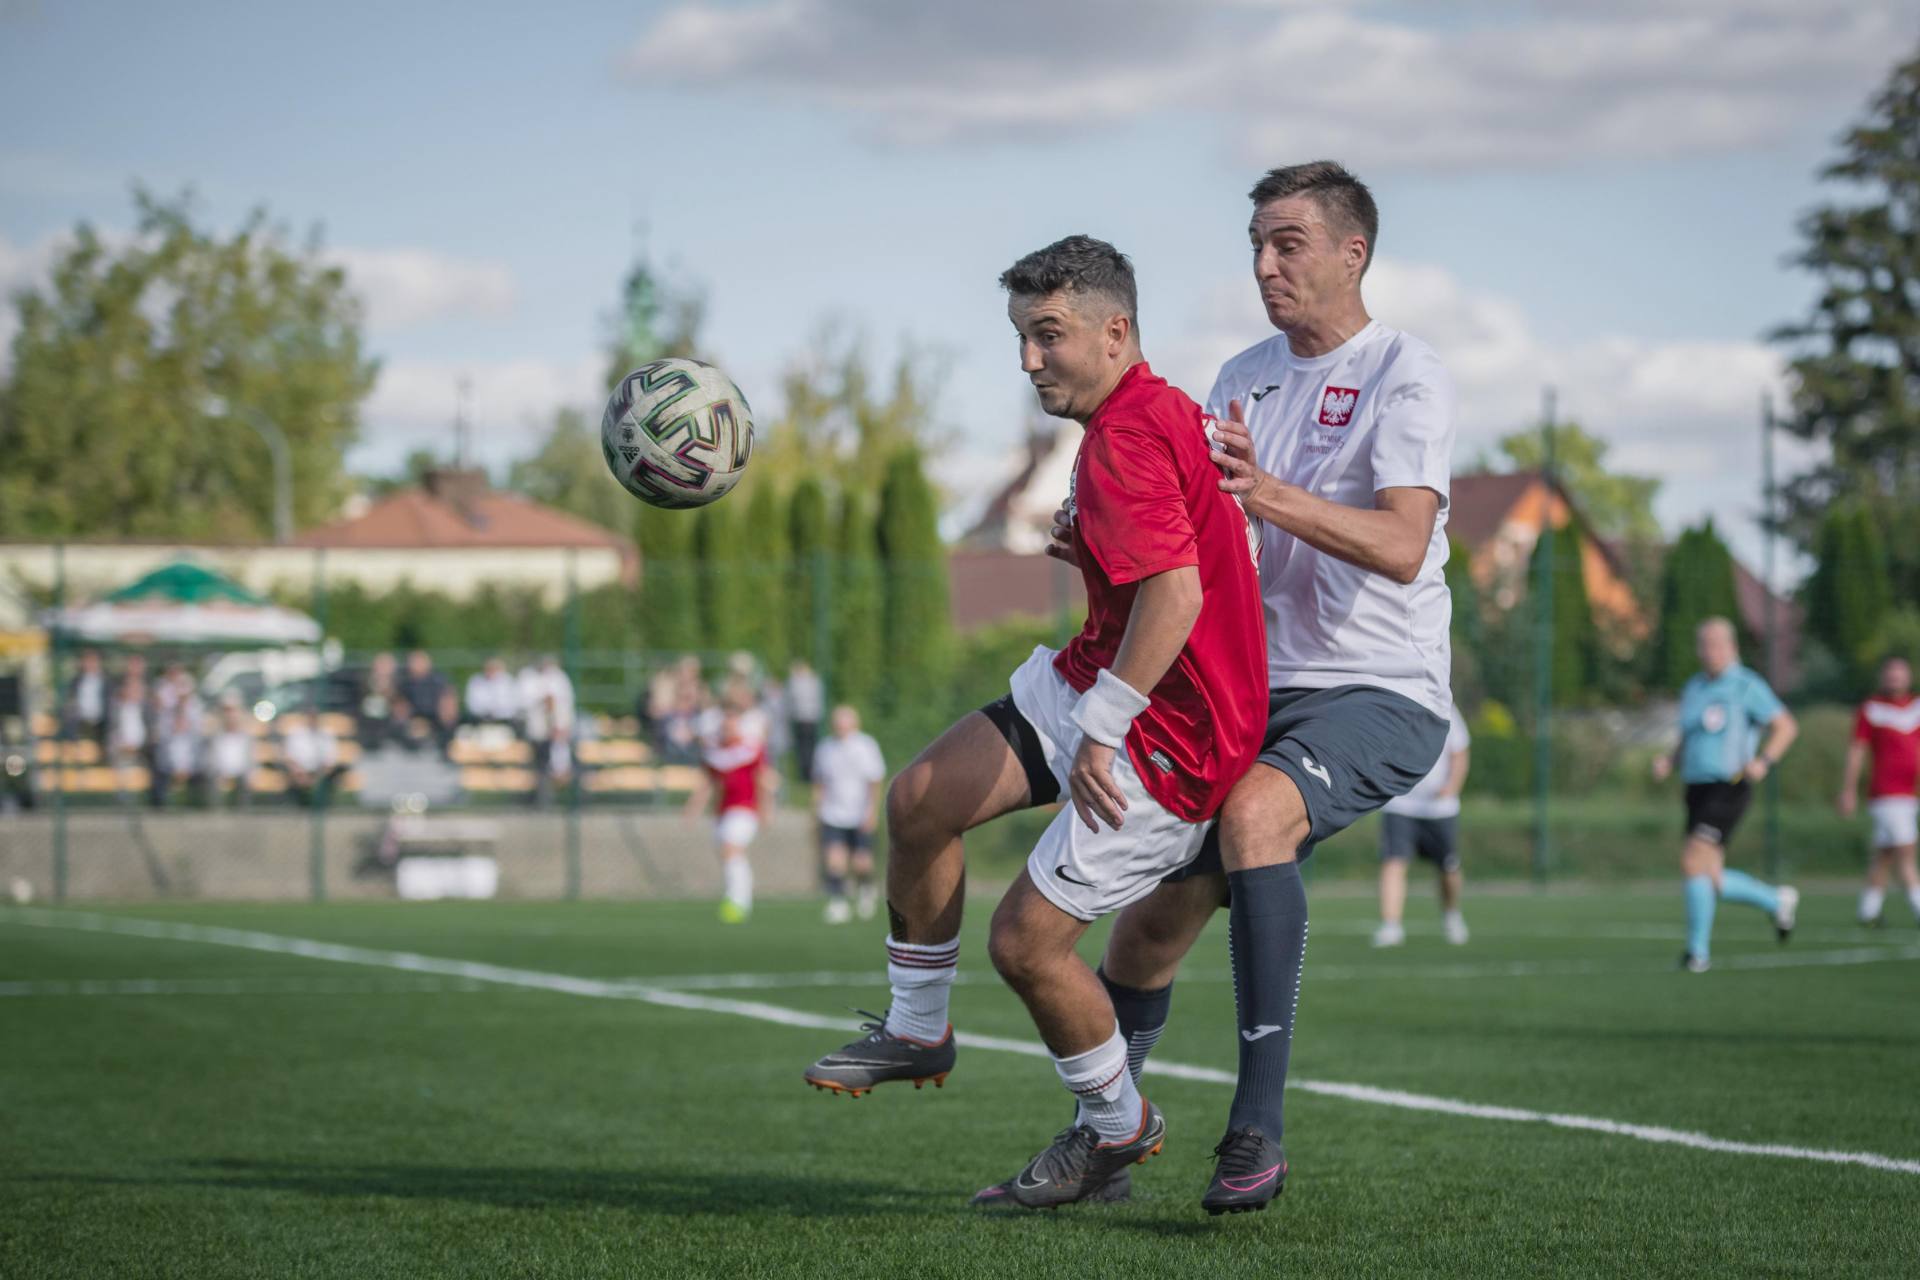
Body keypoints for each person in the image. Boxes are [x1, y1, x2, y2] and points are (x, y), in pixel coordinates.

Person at [801, 235, 1267, 1213]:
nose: (1028, 361)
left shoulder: (1129, 434)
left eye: (1047, 336)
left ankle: (1117, 1126)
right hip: (1107, 674)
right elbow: (1172, 562)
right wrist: (1091, 555)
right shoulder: (1149, 413)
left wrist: (1104, 722)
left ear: (1116, 331)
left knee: (1023, 942)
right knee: (921, 799)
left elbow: (1177, 597)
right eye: (1020, 337)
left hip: (1168, 741)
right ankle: (920, 1026)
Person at [1038, 162, 1459, 1215]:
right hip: (1251, 689)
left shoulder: (1408, 371)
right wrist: (1096, 539)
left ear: (1352, 253)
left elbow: (1405, 545)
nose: (1267, 264)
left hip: (1378, 687)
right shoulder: (1240, 376)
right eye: (1258, 245)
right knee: (1147, 929)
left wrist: (1269, 490)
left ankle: (1255, 1133)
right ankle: (1105, 1145)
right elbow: (1193, 545)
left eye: (1290, 243)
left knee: (1257, 813)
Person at [1652, 617, 1800, 972]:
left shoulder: (1745, 685)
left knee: (1692, 860)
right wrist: (1670, 760)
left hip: (1730, 784)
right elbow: (1690, 734)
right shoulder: (1694, 687)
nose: (1711, 651)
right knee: (1708, 874)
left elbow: (1785, 726)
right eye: (1705, 644)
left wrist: (1764, 761)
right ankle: (1776, 900)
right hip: (1697, 787)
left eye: (1718, 643)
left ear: (1732, 647)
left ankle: (1696, 953)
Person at [1373, 704, 1471, 946]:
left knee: (1448, 867)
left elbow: (1460, 752)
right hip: (1400, 805)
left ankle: (1451, 915)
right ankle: (1391, 925)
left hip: (1439, 809)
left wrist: (1451, 787)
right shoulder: (1392, 703)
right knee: (1393, 862)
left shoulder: (1445, 708)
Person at [1839, 656, 1920, 927]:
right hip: (1887, 794)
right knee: (1906, 853)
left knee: (1884, 856)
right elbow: (1857, 751)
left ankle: (1868, 912)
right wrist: (1849, 789)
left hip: (1910, 794)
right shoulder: (1872, 708)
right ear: (1883, 677)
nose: (1895, 678)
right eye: (1890, 673)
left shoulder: (1917, 707)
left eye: (1900, 673)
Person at [686, 706, 775, 923]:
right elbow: (708, 783)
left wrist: (767, 809)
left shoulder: (751, 750)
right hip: (723, 811)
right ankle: (735, 896)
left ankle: (739, 900)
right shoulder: (716, 752)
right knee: (728, 854)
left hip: (745, 808)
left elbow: (764, 780)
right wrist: (694, 808)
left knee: (731, 849)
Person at [812, 704, 886, 924]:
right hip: (833, 813)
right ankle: (838, 902)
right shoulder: (825, 748)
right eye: (837, 723)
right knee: (835, 860)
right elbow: (819, 782)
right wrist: (816, 809)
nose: (840, 727)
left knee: (861, 862)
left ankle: (866, 889)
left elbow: (874, 781)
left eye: (844, 723)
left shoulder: (865, 746)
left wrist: (871, 811)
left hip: (859, 812)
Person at [275, 710, 347, 808]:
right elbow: (288, 757)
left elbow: (331, 761)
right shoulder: (296, 734)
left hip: (321, 773)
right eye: (310, 718)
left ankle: (323, 804)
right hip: (299, 772)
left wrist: (318, 778)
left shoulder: (327, 735)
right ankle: (299, 805)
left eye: (315, 718)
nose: (313, 721)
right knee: (286, 772)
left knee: (338, 771)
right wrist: (300, 773)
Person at [201, 700, 255, 808]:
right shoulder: (215, 737)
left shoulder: (246, 737)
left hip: (240, 771)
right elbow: (210, 759)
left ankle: (244, 813)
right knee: (212, 779)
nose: (230, 716)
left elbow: (250, 760)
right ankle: (215, 812)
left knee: (245, 780)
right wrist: (220, 771)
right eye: (227, 712)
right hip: (220, 771)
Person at [787, 659, 826, 781]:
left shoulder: (800, 682)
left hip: (803, 718)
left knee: (804, 748)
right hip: (810, 718)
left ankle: (806, 773)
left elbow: (794, 696)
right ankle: (807, 773)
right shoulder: (814, 680)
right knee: (808, 747)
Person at [64, 649, 109, 749]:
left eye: (93, 661)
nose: (90, 664)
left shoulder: (106, 680)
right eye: (87, 661)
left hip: (101, 723)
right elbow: (70, 701)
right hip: (79, 722)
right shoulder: (76, 681)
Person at [465, 657, 521, 729]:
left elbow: (512, 704)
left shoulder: (507, 681)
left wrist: (497, 711)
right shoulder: (476, 681)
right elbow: (472, 704)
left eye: (493, 668)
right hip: (480, 721)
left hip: (505, 722)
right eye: (488, 668)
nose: (490, 671)